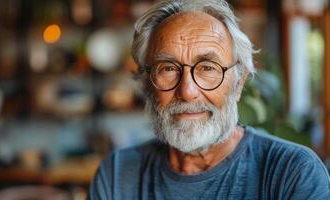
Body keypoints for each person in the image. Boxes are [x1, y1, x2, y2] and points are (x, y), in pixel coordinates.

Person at [88, 0, 330, 199]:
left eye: (207, 67)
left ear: (238, 82)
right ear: (147, 84)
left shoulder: (293, 173)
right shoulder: (117, 174)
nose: (187, 91)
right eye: (168, 68)